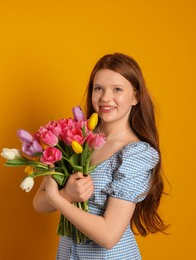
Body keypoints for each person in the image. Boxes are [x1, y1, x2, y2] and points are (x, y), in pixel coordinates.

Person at [33, 53, 168, 259]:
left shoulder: (135, 154)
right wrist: (67, 195)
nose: (105, 97)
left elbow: (108, 236)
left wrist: (57, 198)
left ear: (135, 97)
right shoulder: (75, 138)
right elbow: (39, 203)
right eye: (98, 88)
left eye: (117, 89)